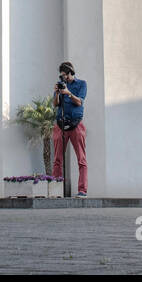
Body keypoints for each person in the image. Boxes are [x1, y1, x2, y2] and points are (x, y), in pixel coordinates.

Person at [51, 61, 88, 197]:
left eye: (65, 75)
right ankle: (56, 191)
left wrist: (68, 93)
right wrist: (57, 93)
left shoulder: (81, 84)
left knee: (81, 159)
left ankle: (82, 191)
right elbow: (55, 104)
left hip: (76, 124)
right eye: (62, 76)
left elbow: (79, 102)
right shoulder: (60, 86)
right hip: (60, 125)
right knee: (57, 160)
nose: (63, 78)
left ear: (71, 72)